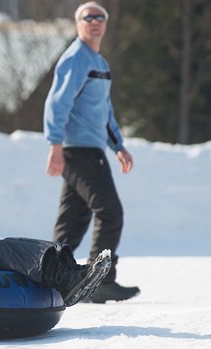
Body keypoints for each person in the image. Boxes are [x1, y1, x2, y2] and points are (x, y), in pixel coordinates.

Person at [43, 1, 139, 303]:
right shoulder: (75, 58)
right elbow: (57, 104)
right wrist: (55, 145)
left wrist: (118, 145)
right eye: (88, 17)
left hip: (92, 148)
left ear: (106, 24)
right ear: (78, 23)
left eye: (100, 17)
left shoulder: (100, 62)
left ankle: (50, 279)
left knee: (73, 221)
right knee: (110, 212)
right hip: (78, 151)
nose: (94, 21)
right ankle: (101, 281)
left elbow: (104, 110)